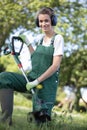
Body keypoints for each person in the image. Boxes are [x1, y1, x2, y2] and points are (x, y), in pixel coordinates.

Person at [0, 7, 64, 125]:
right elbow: (36, 58)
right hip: (31, 78)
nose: (43, 24)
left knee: (39, 123)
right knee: (4, 77)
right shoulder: (40, 39)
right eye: (40, 21)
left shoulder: (57, 39)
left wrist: (37, 82)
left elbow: (55, 66)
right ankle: (5, 121)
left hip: (46, 85)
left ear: (52, 21)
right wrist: (28, 43)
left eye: (46, 21)